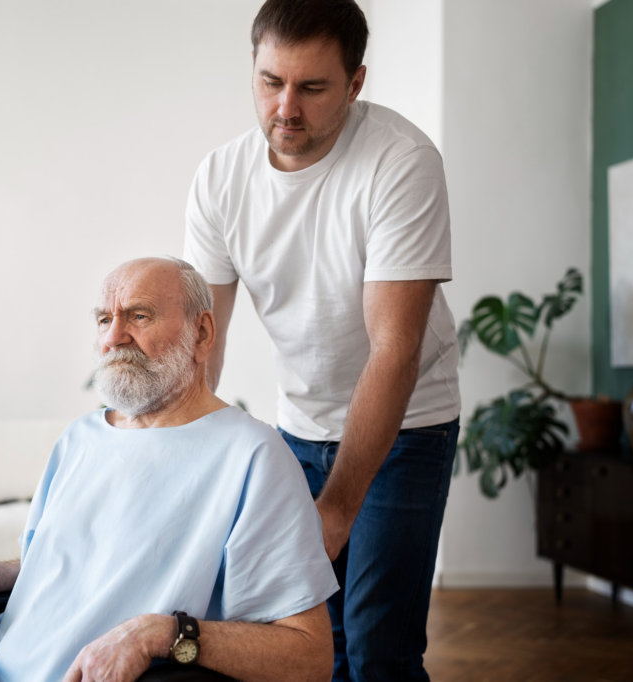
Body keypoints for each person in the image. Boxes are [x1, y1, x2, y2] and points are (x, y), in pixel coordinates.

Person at [182, 1, 461, 680]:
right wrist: (186, 468)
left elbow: (394, 348)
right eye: (271, 81)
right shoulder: (221, 179)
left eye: (312, 88)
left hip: (407, 426)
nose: (286, 108)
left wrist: (336, 508)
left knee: (376, 646)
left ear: (356, 83)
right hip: (298, 427)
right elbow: (202, 344)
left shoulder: (400, 162)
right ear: (252, 68)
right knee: (309, 644)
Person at [0, 257, 339, 682]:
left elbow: (308, 657)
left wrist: (166, 634)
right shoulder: (79, 439)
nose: (114, 337)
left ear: (202, 332)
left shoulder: (252, 456)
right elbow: (77, 565)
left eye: (139, 316)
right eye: (103, 320)